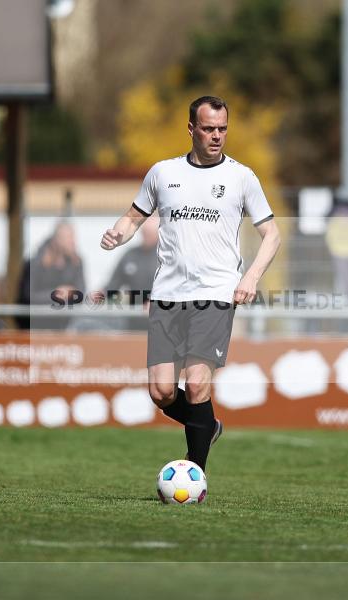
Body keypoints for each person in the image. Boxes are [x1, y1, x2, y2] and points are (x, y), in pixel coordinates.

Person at [100, 96, 280, 470]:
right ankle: (207, 425)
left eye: (222, 129)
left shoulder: (242, 177)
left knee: (197, 385)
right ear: (191, 129)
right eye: (209, 128)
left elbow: (273, 235)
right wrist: (118, 233)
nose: (217, 136)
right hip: (167, 294)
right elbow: (133, 218)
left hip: (216, 293)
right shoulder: (163, 173)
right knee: (162, 392)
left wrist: (250, 277)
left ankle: (194, 472)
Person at [18, 221, 86, 330]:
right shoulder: (36, 263)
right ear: (57, 240)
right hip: (36, 326)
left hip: (64, 325)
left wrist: (71, 294)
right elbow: (27, 296)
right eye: (69, 237)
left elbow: (81, 292)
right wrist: (55, 295)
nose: (73, 242)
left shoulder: (76, 262)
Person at [101, 214, 159, 330]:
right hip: (134, 320)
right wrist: (100, 295)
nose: (145, 237)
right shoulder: (131, 255)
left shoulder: (168, 256)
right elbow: (113, 285)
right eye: (144, 233)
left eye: (149, 234)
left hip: (161, 321)